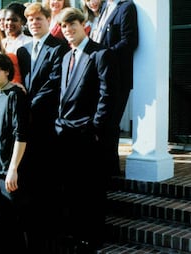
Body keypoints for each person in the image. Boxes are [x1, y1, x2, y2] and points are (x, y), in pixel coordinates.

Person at [55, 7, 118, 252]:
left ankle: (92, 238)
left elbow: (107, 96)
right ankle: (76, 234)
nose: (69, 30)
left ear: (85, 25)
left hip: (87, 136)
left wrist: (95, 129)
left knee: (90, 190)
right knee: (71, 189)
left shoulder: (101, 54)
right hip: (65, 134)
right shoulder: (65, 57)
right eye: (65, 26)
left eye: (73, 25)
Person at [16, 2, 69, 252]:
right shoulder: (24, 51)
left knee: (49, 182)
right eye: (30, 20)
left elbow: (54, 82)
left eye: (39, 19)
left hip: (47, 122)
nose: (34, 23)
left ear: (49, 20)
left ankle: (53, 235)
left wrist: (30, 105)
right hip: (29, 125)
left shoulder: (59, 47)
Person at [0, 52, 29, 254]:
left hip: (8, 172)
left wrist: (13, 169)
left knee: (15, 222)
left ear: (7, 71)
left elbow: (21, 135)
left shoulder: (15, 96)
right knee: (1, 221)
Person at [90, 0, 138, 176]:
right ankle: (104, 168)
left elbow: (129, 40)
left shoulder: (126, 7)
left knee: (111, 123)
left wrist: (104, 55)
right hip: (100, 76)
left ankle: (111, 170)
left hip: (117, 77)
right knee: (103, 123)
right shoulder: (103, 9)